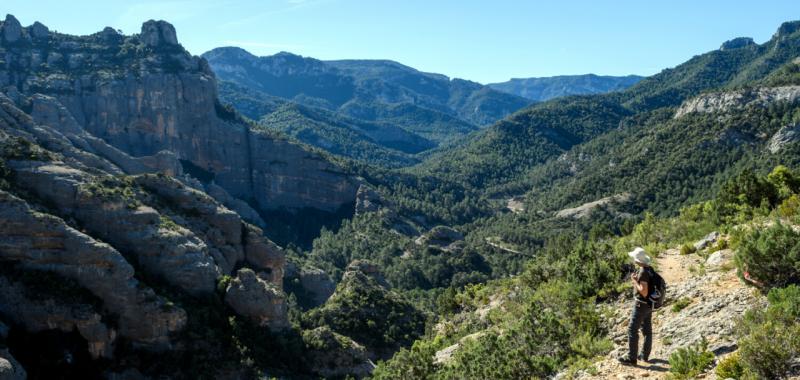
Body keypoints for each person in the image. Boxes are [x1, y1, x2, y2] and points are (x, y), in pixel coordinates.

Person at [618, 247, 654, 366]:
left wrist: (634, 281)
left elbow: (643, 291)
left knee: (632, 330)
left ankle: (632, 357)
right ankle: (644, 355)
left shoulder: (643, 271)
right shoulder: (649, 269)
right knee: (647, 331)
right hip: (649, 304)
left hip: (641, 305)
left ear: (637, 260)